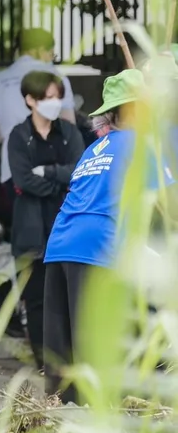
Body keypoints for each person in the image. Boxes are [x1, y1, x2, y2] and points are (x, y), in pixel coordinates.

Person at [43, 70, 173, 403]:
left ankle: (64, 414)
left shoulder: (94, 149)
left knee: (68, 345)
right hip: (100, 246)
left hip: (61, 244)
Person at [7, 71, 84, 371]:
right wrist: (59, 181)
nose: (54, 103)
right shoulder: (18, 136)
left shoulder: (70, 133)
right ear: (30, 100)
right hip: (30, 232)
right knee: (36, 301)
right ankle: (44, 363)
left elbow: (78, 172)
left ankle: (71, 362)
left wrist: (48, 172)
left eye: (57, 97)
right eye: (47, 97)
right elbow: (23, 180)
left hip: (65, 227)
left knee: (68, 298)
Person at [0, 29, 77, 227]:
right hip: (52, 169)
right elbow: (69, 124)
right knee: (53, 230)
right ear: (39, 50)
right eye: (50, 54)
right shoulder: (55, 78)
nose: (50, 59)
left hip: (12, 170)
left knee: (23, 233)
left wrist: (7, 137)